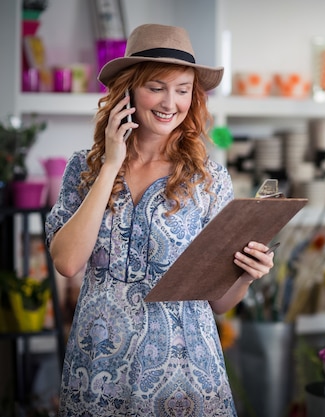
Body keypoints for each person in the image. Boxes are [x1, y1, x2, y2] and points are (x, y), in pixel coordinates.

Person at [45, 23, 275, 416]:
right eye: (157, 87)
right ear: (128, 91)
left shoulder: (208, 179)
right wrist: (111, 164)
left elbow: (219, 302)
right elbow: (67, 263)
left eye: (183, 90)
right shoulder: (82, 169)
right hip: (99, 366)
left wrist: (247, 274)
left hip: (184, 370)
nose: (171, 102)